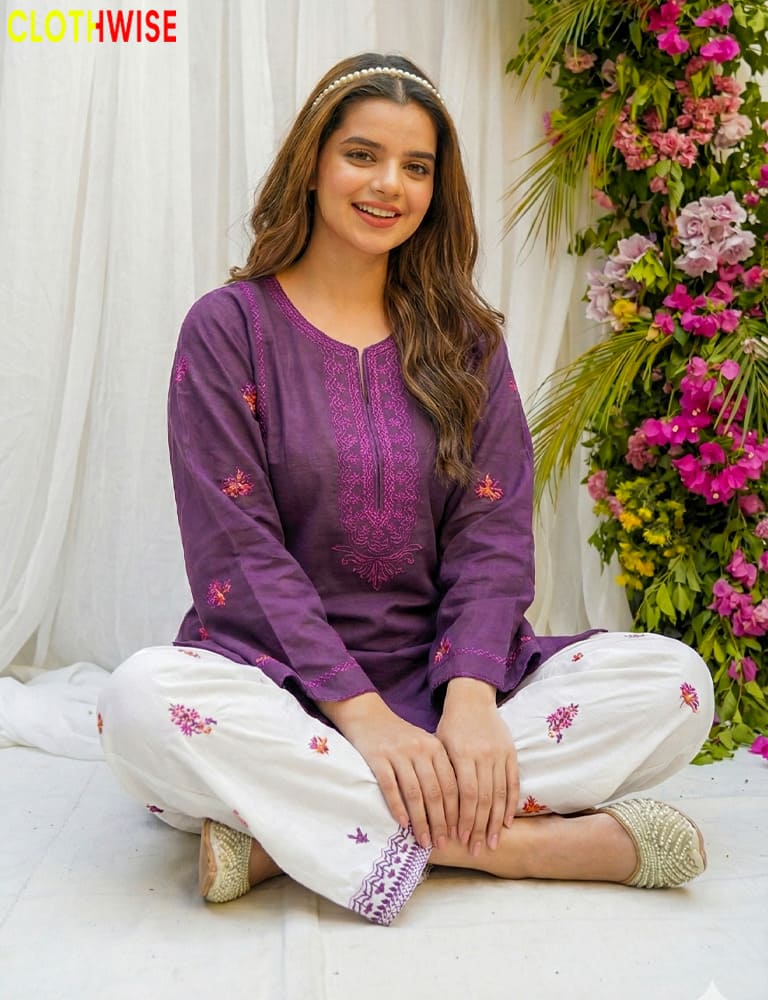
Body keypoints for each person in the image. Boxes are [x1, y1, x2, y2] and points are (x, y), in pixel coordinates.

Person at [97, 52, 715, 926]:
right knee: (139, 703)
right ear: (311, 163)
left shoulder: (464, 340)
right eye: (362, 154)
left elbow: (493, 534)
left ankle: (288, 835)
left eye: (416, 166)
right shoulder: (229, 329)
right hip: (278, 693)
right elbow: (236, 545)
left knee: (675, 683)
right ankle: (514, 846)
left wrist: (467, 702)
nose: (389, 184)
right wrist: (365, 721)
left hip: (445, 685)